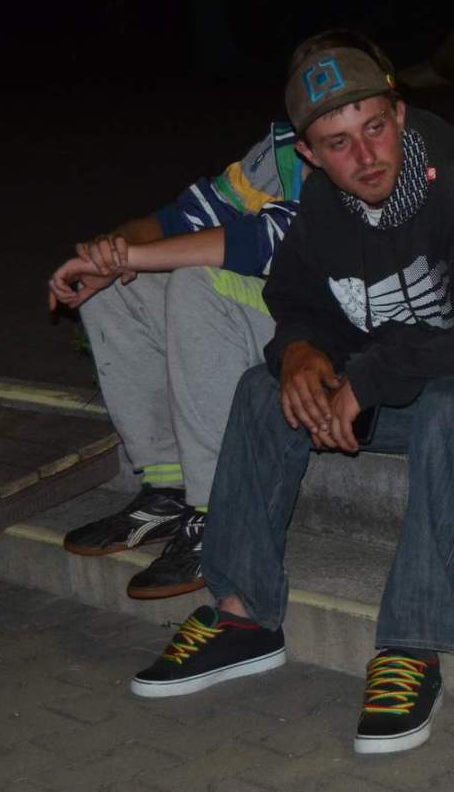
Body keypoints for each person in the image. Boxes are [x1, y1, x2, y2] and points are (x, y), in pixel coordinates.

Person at [126, 32, 454, 755]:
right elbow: (296, 300)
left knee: (452, 409)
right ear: (309, 154)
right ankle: (241, 615)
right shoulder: (328, 203)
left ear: (400, 113)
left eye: (376, 128)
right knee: (264, 391)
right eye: (338, 143)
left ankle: (410, 645)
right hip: (412, 383)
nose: (366, 156)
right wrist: (299, 353)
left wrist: (367, 380)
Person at [46, 104, 302, 599]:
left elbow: (259, 242)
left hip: (330, 328)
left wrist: (132, 256)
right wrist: (112, 251)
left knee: (195, 282)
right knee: (112, 287)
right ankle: (168, 489)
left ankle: (218, 513)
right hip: (278, 307)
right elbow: (179, 218)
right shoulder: (284, 148)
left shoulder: (376, 151)